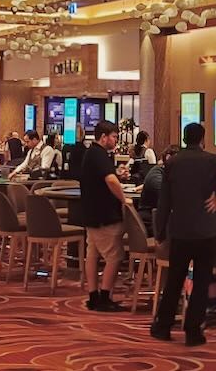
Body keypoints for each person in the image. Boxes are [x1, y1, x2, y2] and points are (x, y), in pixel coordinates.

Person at [151, 123, 216, 347]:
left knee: (175, 280)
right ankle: (193, 331)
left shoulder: (172, 163)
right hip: (208, 232)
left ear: (184, 138)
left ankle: (163, 326)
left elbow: (164, 201)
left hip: (181, 230)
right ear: (203, 139)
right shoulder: (212, 160)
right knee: (201, 282)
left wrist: (159, 232)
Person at [80, 120, 127, 312]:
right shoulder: (99, 155)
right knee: (114, 256)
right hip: (103, 215)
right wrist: (124, 199)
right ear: (104, 137)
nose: (116, 140)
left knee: (92, 254)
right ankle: (105, 296)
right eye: (114, 137)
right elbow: (110, 180)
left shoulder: (91, 153)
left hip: (91, 213)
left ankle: (94, 296)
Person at [138, 144, 180, 235]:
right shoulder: (156, 175)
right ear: (169, 158)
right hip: (150, 223)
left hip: (160, 220)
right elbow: (170, 198)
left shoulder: (168, 173)